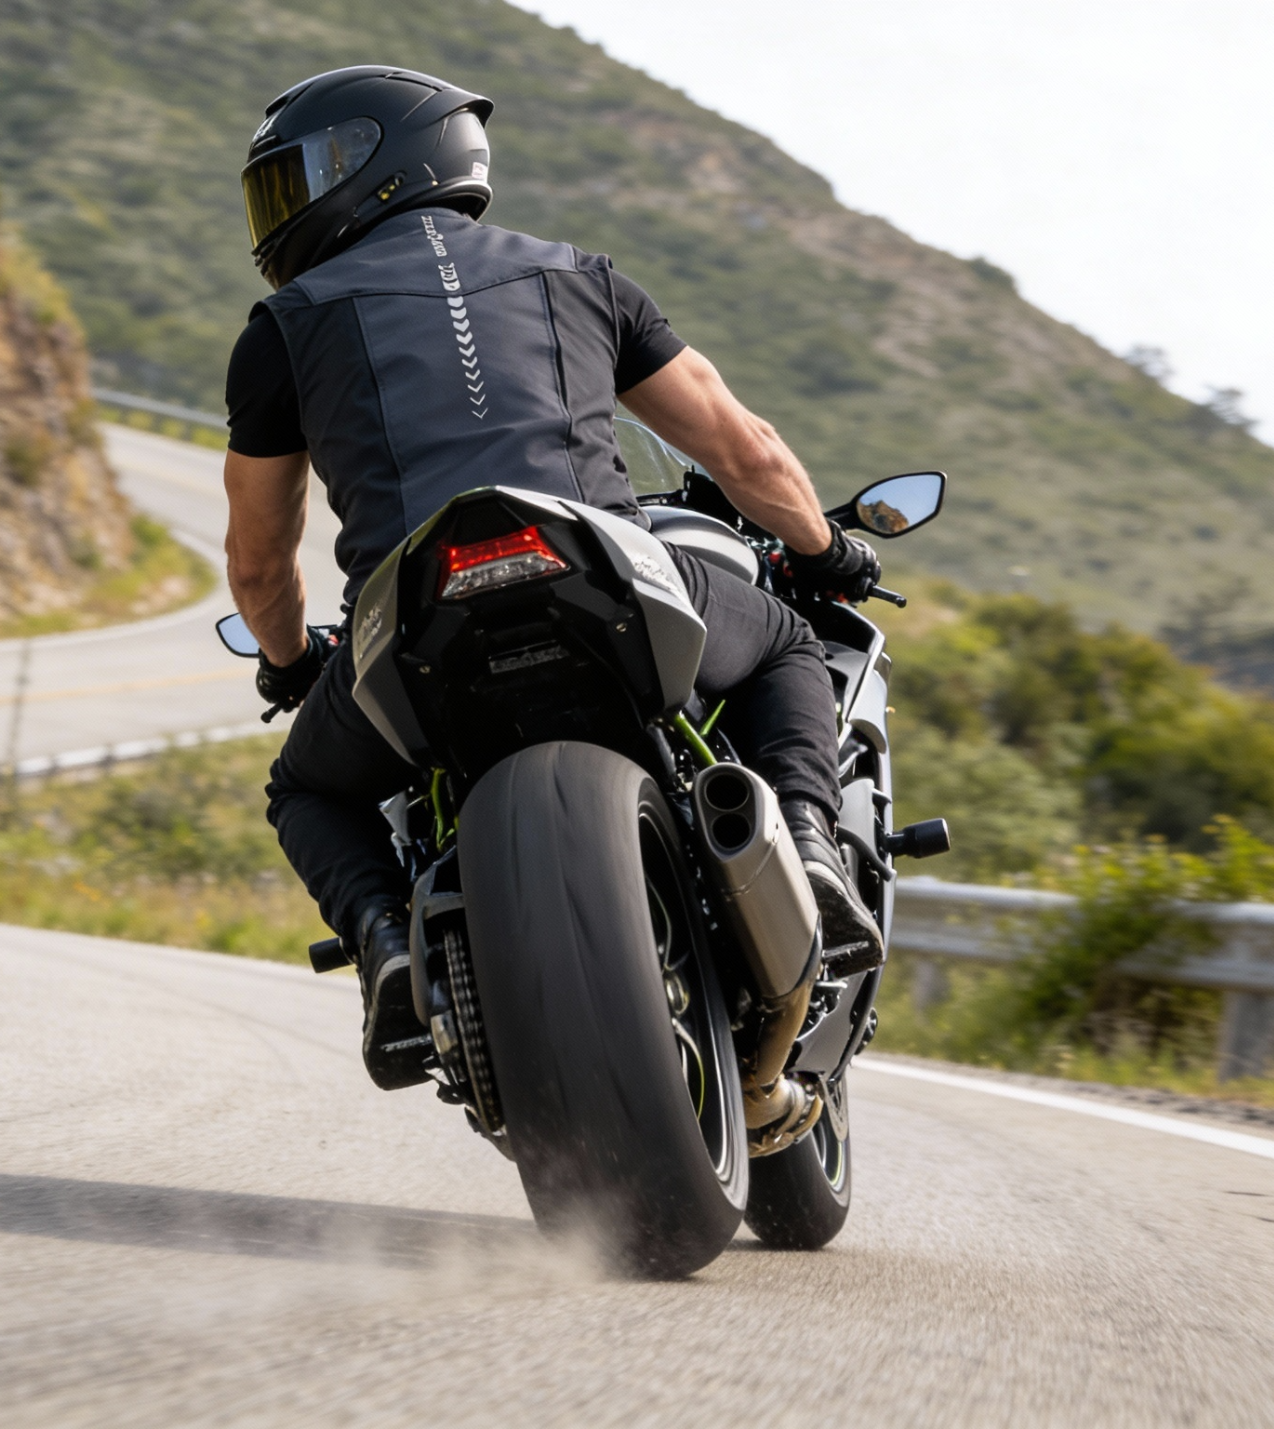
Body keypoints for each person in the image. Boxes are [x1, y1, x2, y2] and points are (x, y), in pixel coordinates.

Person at [222, 65, 885, 1093]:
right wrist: (822, 550)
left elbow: (259, 560)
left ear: (381, 165)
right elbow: (741, 450)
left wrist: (284, 667)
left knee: (307, 784)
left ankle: (386, 949)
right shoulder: (581, 275)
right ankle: (808, 848)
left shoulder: (285, 327)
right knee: (789, 643)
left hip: (416, 622)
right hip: (606, 579)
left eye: (302, 178)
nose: (287, 210)